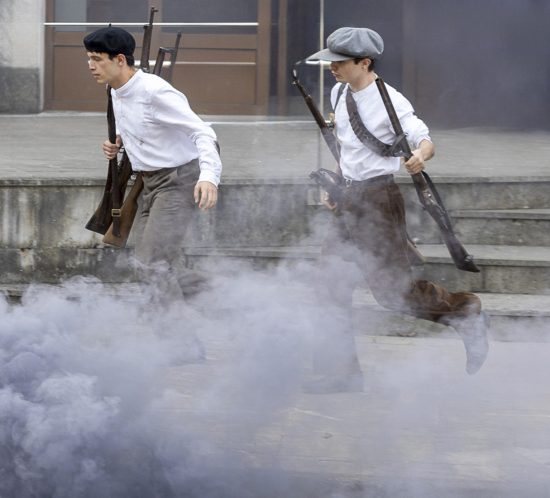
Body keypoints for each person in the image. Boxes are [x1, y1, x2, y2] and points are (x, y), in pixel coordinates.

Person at [303, 27, 489, 393]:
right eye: (331, 62)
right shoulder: (340, 92)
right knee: (328, 288)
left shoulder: (391, 101)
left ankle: (464, 311)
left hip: (378, 200)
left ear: (364, 62)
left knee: (393, 294)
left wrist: (420, 154)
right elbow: (348, 147)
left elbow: (424, 138)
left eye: (340, 62)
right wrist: (337, 183)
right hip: (348, 199)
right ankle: (342, 374)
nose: (332, 68)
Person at [83, 27, 222, 305]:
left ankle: (171, 326)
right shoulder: (115, 89)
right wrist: (119, 140)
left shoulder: (154, 91)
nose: (90, 65)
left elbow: (203, 132)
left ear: (119, 60)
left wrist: (209, 177)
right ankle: (223, 294)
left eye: (97, 59)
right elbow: (137, 122)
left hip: (179, 180)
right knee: (154, 263)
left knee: (150, 262)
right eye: (89, 58)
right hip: (149, 183)